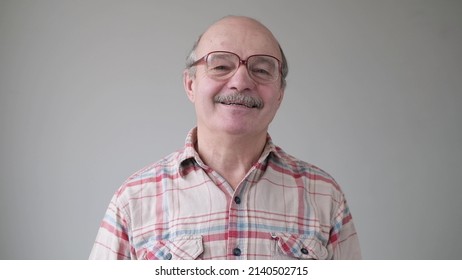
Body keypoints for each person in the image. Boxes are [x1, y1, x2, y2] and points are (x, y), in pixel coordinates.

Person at [89, 15, 361, 260]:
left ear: (279, 94)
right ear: (190, 84)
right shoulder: (134, 200)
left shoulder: (325, 197)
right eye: (220, 66)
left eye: (262, 70)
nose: (241, 81)